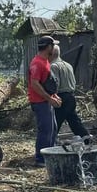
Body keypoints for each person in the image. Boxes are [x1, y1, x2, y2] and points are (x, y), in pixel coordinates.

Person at [27, 35, 62, 165]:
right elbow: (35, 84)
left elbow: (46, 83)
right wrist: (48, 98)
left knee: (53, 128)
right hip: (39, 102)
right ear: (48, 47)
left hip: (46, 100)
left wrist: (54, 96)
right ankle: (41, 159)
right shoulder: (37, 63)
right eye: (53, 45)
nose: (54, 48)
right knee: (46, 130)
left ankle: (51, 154)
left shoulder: (45, 61)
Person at [50, 44, 91, 139]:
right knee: (74, 120)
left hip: (61, 96)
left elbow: (55, 84)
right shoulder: (68, 65)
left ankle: (50, 143)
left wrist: (51, 97)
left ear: (51, 54)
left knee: (55, 122)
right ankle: (86, 137)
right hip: (71, 96)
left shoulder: (53, 66)